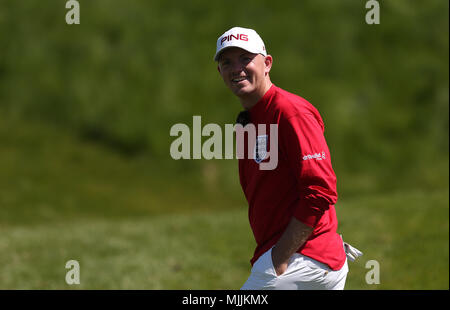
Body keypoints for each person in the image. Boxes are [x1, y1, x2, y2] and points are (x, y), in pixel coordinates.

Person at [214, 27, 362, 290]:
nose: (236, 68)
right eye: (227, 62)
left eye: (245, 59)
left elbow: (320, 190)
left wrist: (279, 258)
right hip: (301, 259)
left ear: (267, 63)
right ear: (220, 72)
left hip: (304, 260)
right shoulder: (248, 121)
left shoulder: (290, 111)